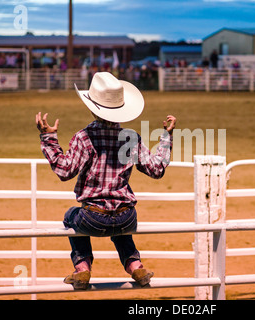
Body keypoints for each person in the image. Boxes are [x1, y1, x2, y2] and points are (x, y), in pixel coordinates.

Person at [35, 72, 176, 289]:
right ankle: (135, 265)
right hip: (127, 216)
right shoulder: (131, 138)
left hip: (93, 218)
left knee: (71, 215)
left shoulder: (84, 137)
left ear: (92, 107)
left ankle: (82, 268)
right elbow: (156, 170)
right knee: (121, 230)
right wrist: (166, 138)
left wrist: (49, 139)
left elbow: (64, 171)